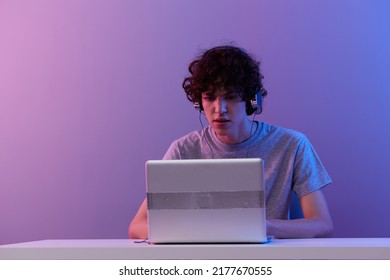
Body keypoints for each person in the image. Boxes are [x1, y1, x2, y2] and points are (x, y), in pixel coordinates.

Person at [129, 45, 333, 239]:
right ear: (199, 102)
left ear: (252, 100)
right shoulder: (183, 150)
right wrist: (197, 233)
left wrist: (263, 226)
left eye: (231, 97)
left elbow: (322, 225)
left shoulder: (292, 145)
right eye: (209, 97)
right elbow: (137, 226)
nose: (219, 109)